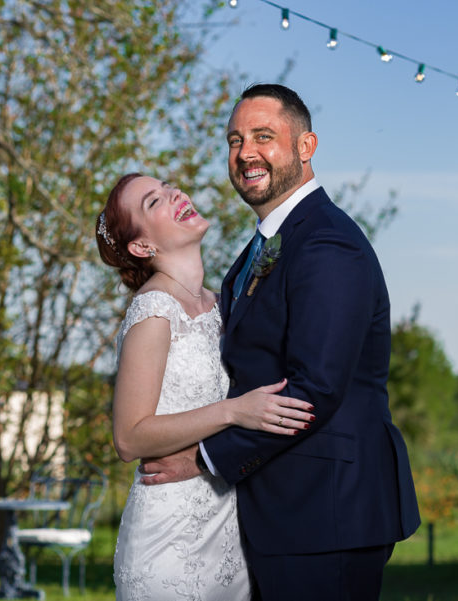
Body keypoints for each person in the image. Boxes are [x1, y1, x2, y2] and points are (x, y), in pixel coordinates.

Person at [139, 84, 421, 600]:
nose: (245, 152)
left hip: (326, 512)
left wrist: (202, 458)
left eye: (263, 137)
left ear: (306, 146)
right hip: (281, 511)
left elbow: (314, 390)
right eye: (234, 139)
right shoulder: (262, 248)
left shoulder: (328, 242)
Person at [96, 173, 316, 601]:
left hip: (231, 534)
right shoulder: (153, 311)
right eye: (153, 201)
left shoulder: (225, 304)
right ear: (142, 247)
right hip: (168, 542)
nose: (175, 193)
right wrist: (233, 412)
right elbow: (128, 437)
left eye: (168, 186)